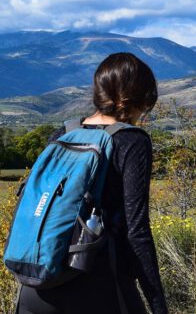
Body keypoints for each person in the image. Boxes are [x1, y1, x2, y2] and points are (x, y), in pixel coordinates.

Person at [17, 52, 168, 314]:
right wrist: (158, 304)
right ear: (137, 98)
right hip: (98, 284)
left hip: (35, 285)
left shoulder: (63, 133)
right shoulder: (132, 142)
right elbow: (137, 231)